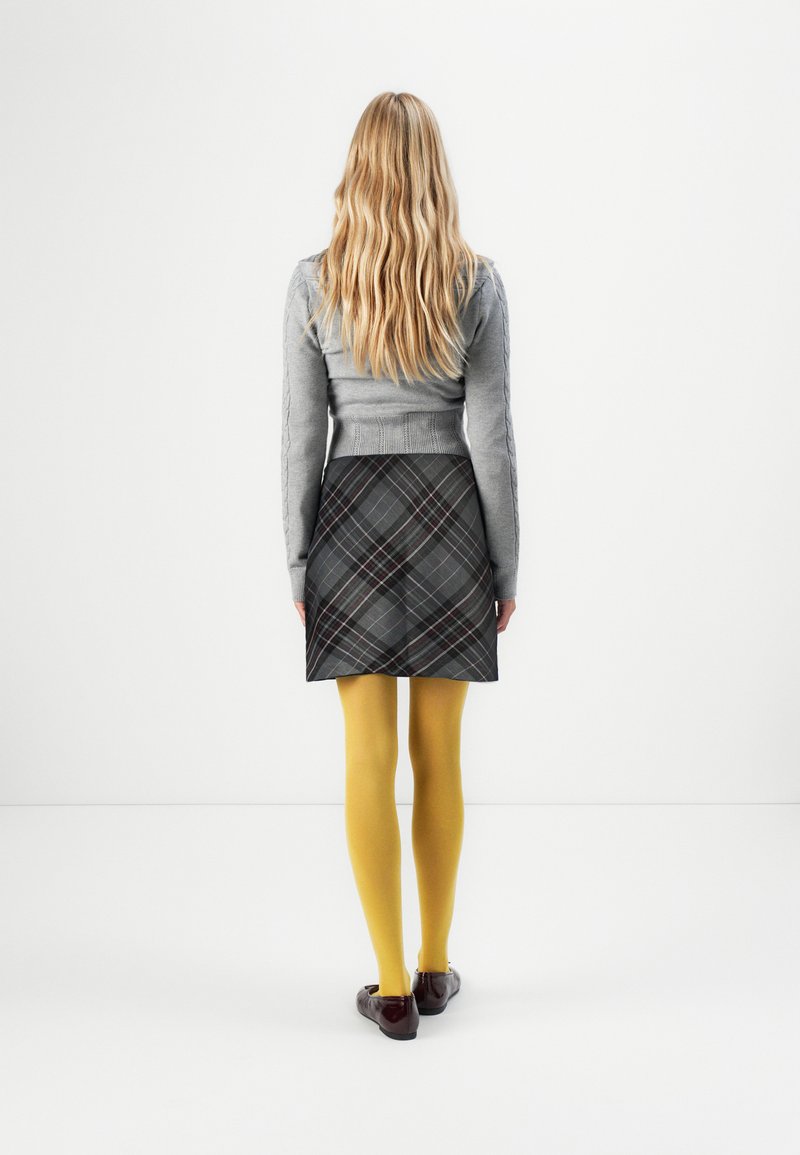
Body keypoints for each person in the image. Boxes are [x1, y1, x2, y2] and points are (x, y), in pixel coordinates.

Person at [281, 92, 519, 1041]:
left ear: (358, 171)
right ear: (434, 174)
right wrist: (506, 565)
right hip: (450, 519)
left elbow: (302, 437)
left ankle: (387, 987)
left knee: (368, 755)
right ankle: (432, 966)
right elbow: (492, 440)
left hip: (349, 521)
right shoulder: (477, 283)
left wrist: (300, 561)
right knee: (439, 753)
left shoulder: (313, 283)